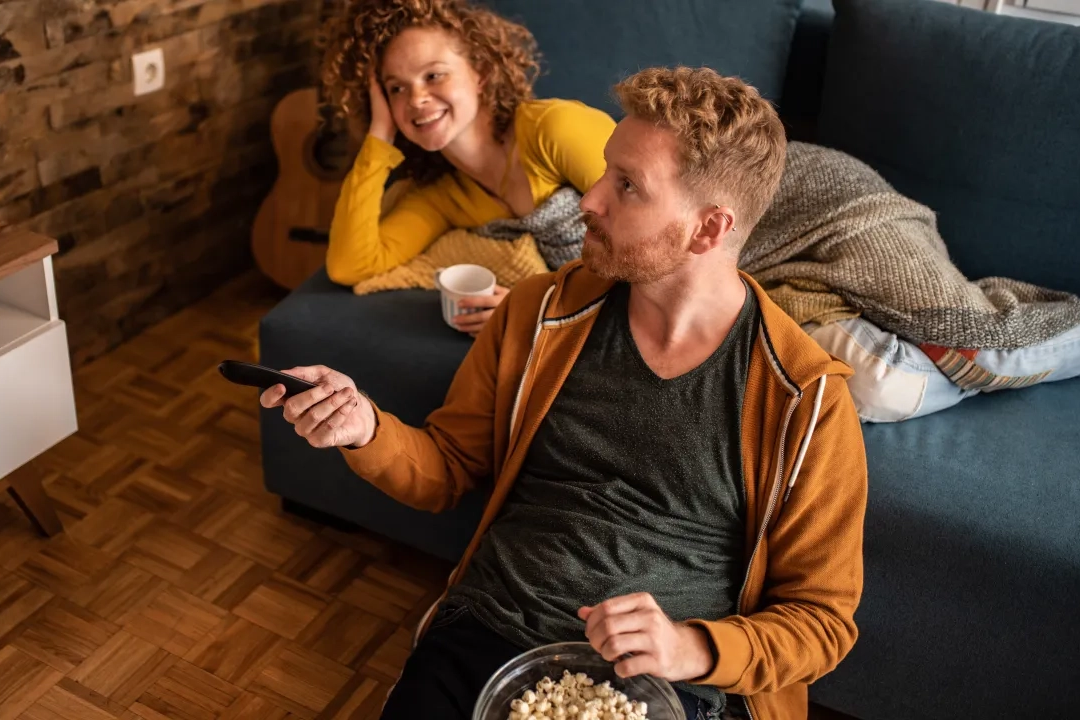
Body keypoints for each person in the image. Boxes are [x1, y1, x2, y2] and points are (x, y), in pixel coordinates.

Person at [262, 66, 868, 720]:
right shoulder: (540, 312)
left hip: (669, 687)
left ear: (709, 229)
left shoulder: (803, 399)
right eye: (607, 171)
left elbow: (822, 621)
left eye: (627, 186)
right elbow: (448, 468)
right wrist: (365, 428)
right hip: (491, 631)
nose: (590, 198)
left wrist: (692, 648)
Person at [319, 0, 617, 335]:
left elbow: (655, 225)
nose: (416, 99)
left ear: (481, 74)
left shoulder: (555, 129)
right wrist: (379, 137)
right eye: (397, 88)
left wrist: (537, 309)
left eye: (434, 75)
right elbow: (350, 265)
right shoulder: (441, 197)